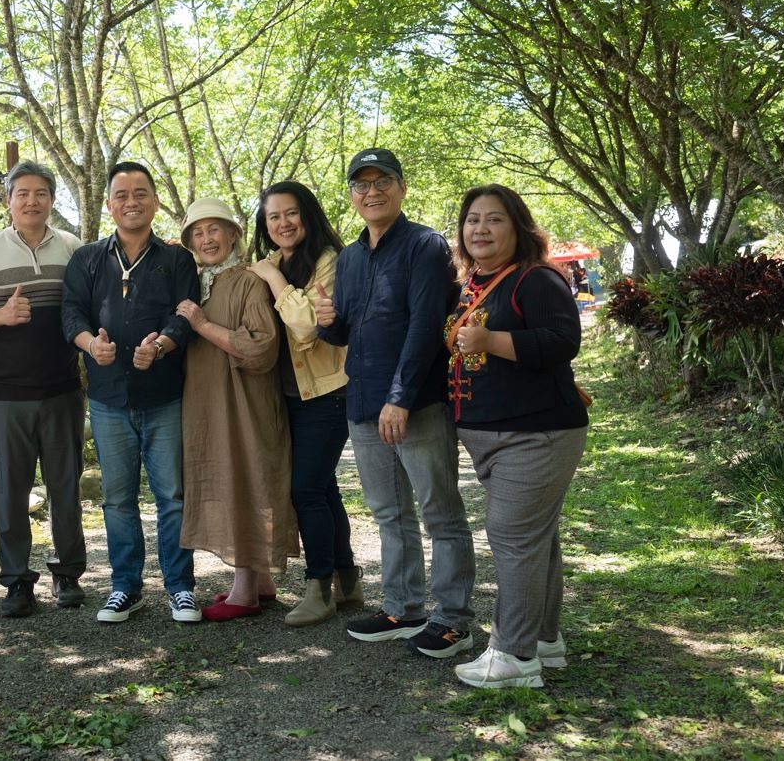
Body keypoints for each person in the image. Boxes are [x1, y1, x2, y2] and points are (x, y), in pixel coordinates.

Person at [315, 148, 476, 658]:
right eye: (361, 185)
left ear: (401, 187)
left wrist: (400, 398)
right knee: (389, 513)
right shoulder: (352, 256)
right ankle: (404, 609)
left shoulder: (425, 245)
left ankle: (453, 619)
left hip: (415, 402)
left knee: (440, 512)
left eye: (382, 181)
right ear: (352, 196)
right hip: (362, 401)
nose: (372, 192)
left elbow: (426, 327)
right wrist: (326, 319)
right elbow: (349, 330)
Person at [447, 184, 589, 689]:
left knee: (513, 539)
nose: (480, 229)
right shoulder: (475, 281)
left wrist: (491, 341)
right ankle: (543, 640)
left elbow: (561, 341)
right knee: (535, 539)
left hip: (537, 432)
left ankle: (513, 657)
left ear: (519, 228)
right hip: (494, 435)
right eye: (472, 220)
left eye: (495, 220)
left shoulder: (537, 279)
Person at [62, 161, 202, 624]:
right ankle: (126, 586)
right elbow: (71, 315)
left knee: (173, 496)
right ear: (109, 205)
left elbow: (184, 315)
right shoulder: (87, 258)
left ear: (155, 201)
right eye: (121, 195)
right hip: (107, 398)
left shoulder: (176, 258)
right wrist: (91, 345)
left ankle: (180, 587)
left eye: (140, 193)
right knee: (117, 499)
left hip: (164, 394)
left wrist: (160, 345)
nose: (131, 202)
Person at [0, 161, 86, 618]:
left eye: (41, 193)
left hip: (63, 389)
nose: (32, 201)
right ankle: (16, 583)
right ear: (7, 200)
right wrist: (0, 317)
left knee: (65, 487)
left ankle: (68, 575)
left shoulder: (73, 248)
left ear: (51, 199)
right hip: (5, 394)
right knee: (8, 491)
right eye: (22, 193)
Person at [175, 199, 299, 622]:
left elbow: (262, 346)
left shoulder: (248, 280)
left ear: (233, 234)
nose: (207, 239)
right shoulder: (195, 281)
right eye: (198, 232)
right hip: (209, 400)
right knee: (226, 477)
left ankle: (244, 592)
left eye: (215, 230)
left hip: (245, 399)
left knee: (249, 478)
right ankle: (261, 582)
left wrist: (202, 325)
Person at [248, 180, 361, 627]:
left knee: (306, 490)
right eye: (273, 217)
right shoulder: (273, 261)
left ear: (307, 214)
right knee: (323, 487)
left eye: (290, 213)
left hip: (327, 393)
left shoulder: (330, 262)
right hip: (288, 396)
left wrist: (274, 279)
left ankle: (319, 589)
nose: (282, 223)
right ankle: (348, 581)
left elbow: (306, 330)